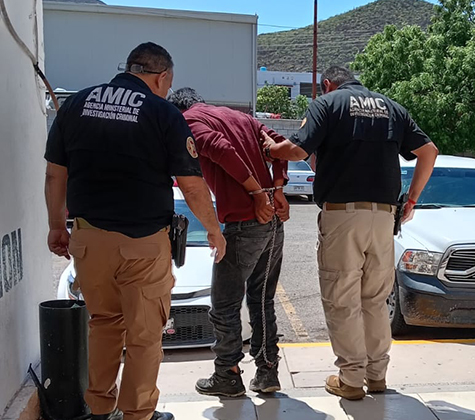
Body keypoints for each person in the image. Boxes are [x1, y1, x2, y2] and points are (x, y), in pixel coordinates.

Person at [44, 43, 226, 420]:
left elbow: (54, 173)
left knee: (104, 325)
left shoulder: (76, 105)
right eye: (167, 83)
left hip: (89, 239)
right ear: (162, 77)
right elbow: (191, 185)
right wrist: (213, 229)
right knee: (144, 336)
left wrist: (55, 226)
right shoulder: (162, 112)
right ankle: (138, 415)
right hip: (143, 245)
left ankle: (98, 409)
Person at [261, 66, 438, 400]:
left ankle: (352, 380)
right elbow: (428, 152)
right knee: (374, 299)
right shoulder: (392, 108)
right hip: (385, 217)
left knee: (342, 298)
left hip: (343, 216)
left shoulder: (326, 105)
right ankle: (377, 375)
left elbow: (297, 151)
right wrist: (411, 200)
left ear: (327, 84)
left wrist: (270, 149)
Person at [168, 88, 289, 397]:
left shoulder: (190, 122)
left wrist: (255, 192)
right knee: (262, 300)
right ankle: (267, 373)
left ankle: (227, 374)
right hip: (272, 222)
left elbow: (220, 148)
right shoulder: (242, 118)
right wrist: (276, 189)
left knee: (224, 304)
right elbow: (279, 147)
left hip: (244, 222)